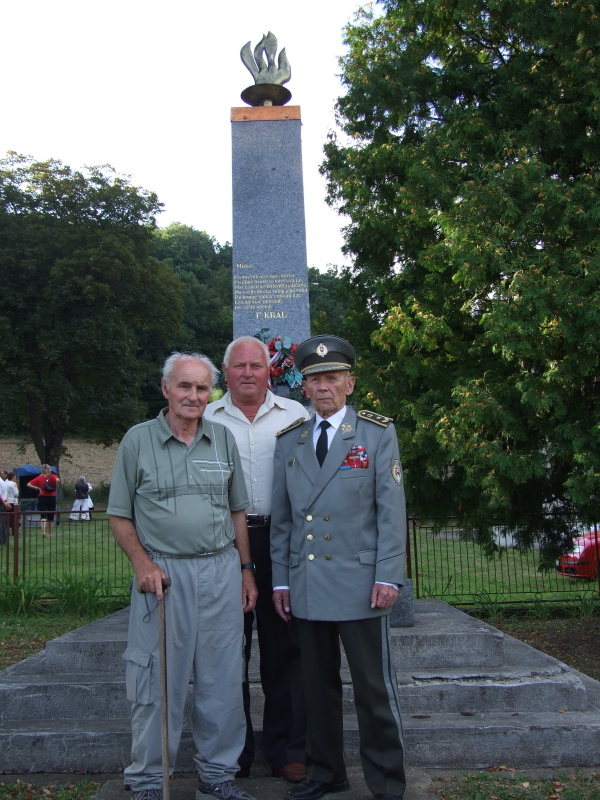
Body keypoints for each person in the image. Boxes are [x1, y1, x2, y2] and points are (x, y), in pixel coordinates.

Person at [108, 352, 258, 800]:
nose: (193, 396)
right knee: (158, 681)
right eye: (184, 386)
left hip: (220, 571)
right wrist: (142, 565)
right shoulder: (137, 441)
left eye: (201, 388)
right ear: (165, 389)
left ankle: (218, 778)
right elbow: (119, 515)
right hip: (164, 576)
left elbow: (237, 512)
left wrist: (246, 571)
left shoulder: (224, 439)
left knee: (223, 679)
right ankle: (151, 781)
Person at [270, 335, 408, 800]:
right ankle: (325, 772)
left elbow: (391, 511)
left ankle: (387, 781)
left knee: (373, 689)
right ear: (303, 388)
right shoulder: (289, 441)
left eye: (332, 378)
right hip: (308, 584)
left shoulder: (375, 433)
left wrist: (389, 575)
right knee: (315, 689)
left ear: (350, 382)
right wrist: (282, 580)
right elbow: (283, 518)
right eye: (314, 379)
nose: (323, 387)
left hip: (360, 583)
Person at [204, 335, 310, 783]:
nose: (248, 373)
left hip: (281, 543)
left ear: (271, 371)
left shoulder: (295, 416)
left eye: (257, 365)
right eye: (239, 366)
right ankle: (235, 753)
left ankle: (287, 749)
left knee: (285, 650)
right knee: (229, 652)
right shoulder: (205, 416)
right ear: (225, 373)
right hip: (222, 545)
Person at [27, 464, 60, 537]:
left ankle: (43, 532)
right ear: (49, 469)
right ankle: (50, 533)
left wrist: (37, 488)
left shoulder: (39, 477)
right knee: (51, 516)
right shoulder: (52, 476)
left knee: (43, 515)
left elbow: (28, 484)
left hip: (42, 497)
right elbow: (57, 480)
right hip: (51, 497)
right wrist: (56, 484)